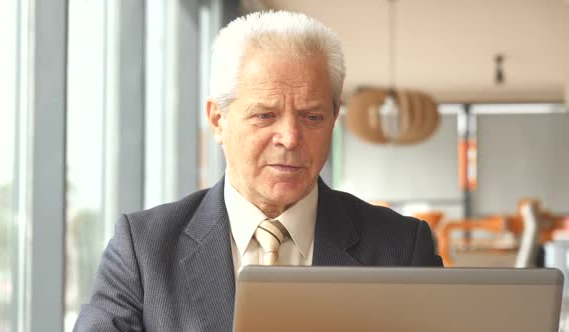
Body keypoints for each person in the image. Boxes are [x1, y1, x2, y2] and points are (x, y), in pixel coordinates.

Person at [74, 10, 442, 331]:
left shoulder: (402, 248)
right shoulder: (143, 250)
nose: (290, 137)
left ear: (333, 120)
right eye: (265, 115)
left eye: (312, 117)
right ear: (218, 120)